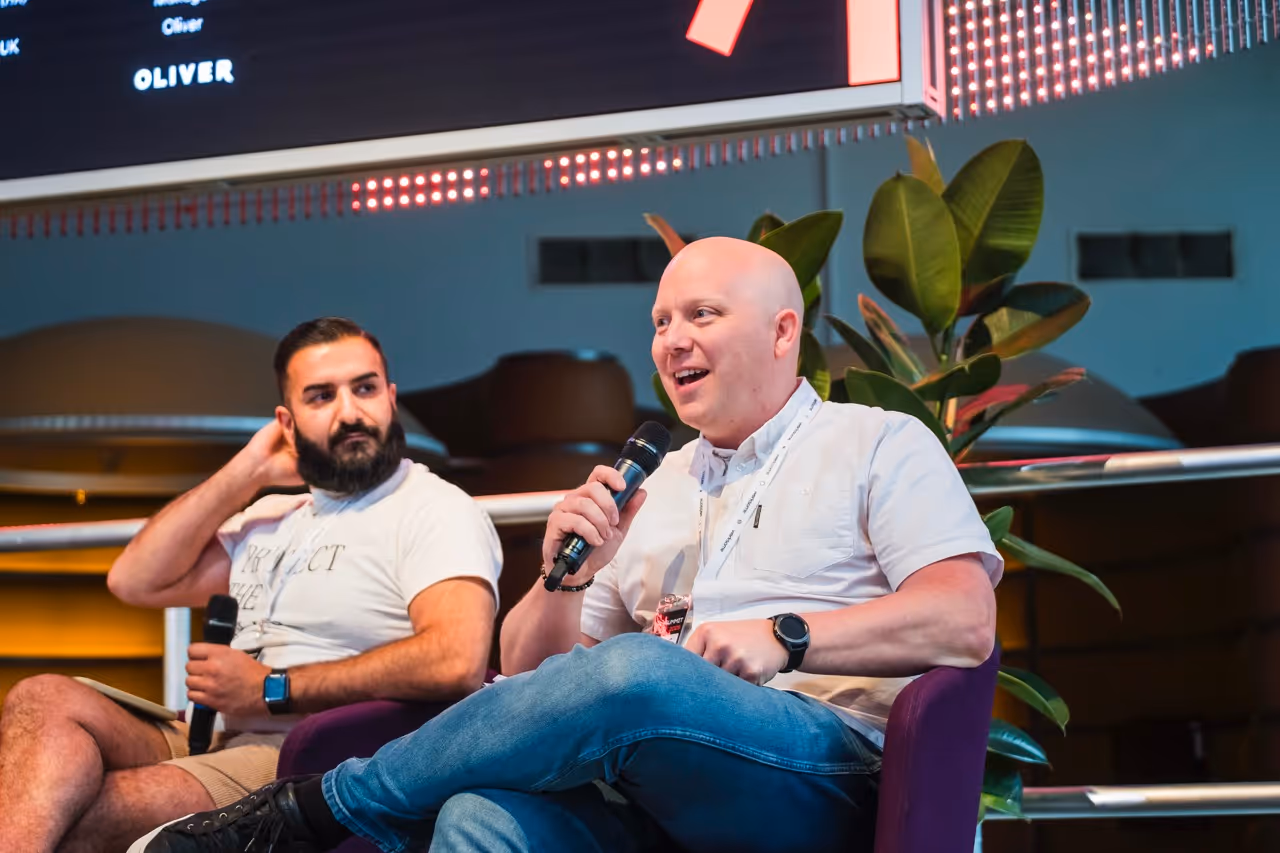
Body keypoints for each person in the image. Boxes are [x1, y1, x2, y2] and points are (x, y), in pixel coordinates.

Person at [135, 238, 1002, 853]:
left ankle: (322, 808)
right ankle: (323, 811)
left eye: (702, 314)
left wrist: (787, 634)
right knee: (480, 817)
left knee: (641, 672)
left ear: (782, 333)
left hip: (820, 772)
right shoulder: (655, 483)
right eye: (660, 321)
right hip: (657, 789)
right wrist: (565, 580)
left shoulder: (876, 440)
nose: (671, 340)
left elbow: (965, 619)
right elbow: (529, 675)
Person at [0, 317, 502, 853]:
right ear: (287, 423)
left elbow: (455, 661)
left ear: (390, 398)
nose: (350, 412)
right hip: (210, 732)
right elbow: (135, 579)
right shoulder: (274, 515)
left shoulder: (432, 509)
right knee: (41, 697)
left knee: (71, 811)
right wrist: (248, 470)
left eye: (365, 389)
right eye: (321, 396)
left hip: (304, 753)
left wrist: (271, 687)